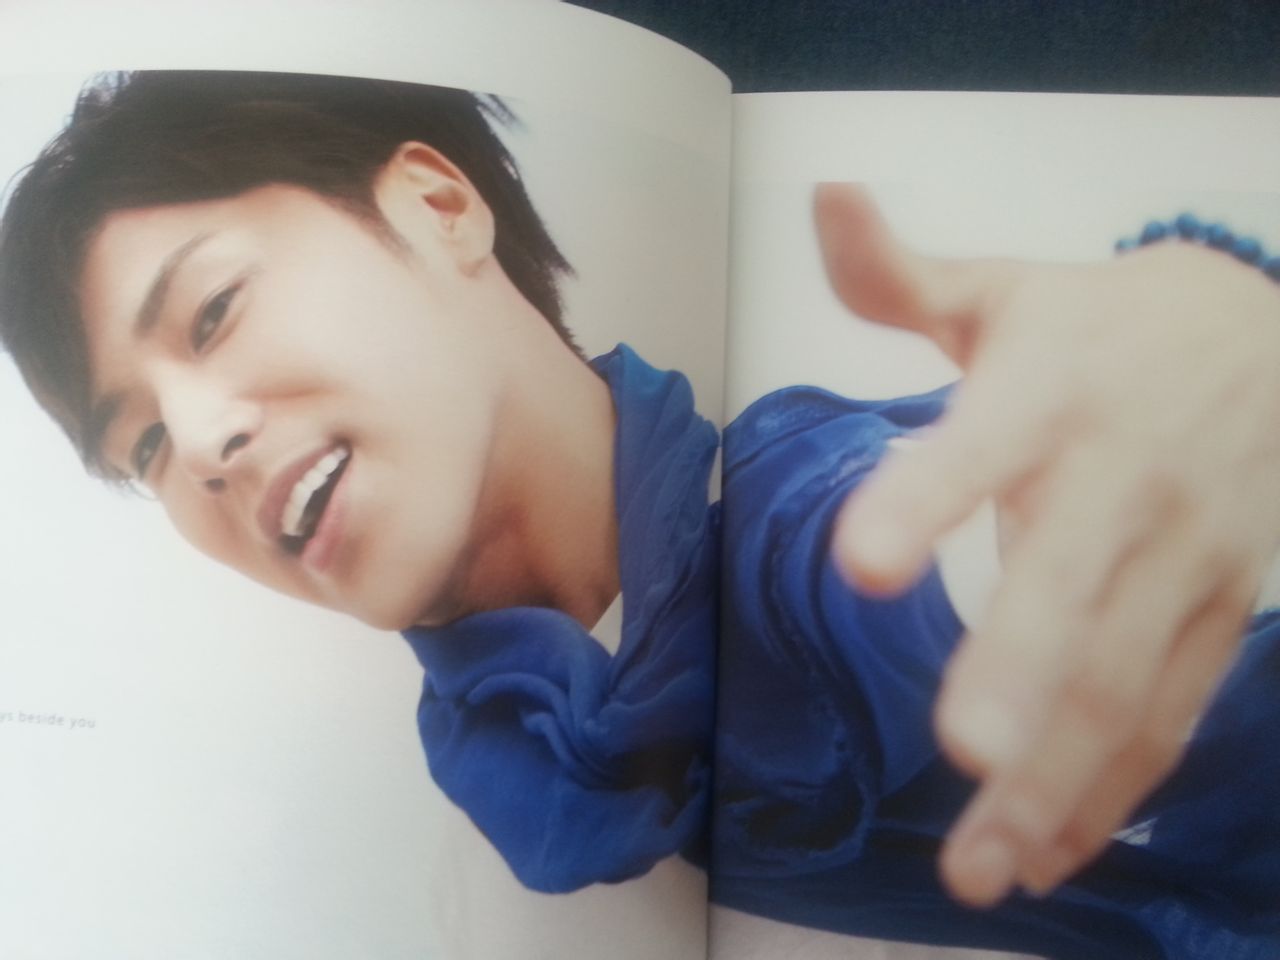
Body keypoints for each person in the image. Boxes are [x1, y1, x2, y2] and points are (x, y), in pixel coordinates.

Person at [2, 71, 1277, 959]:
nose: (203, 444)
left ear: (438, 207)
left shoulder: (833, 509)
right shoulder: (484, 844)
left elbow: (949, 540)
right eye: (144, 443)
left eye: (214, 312)